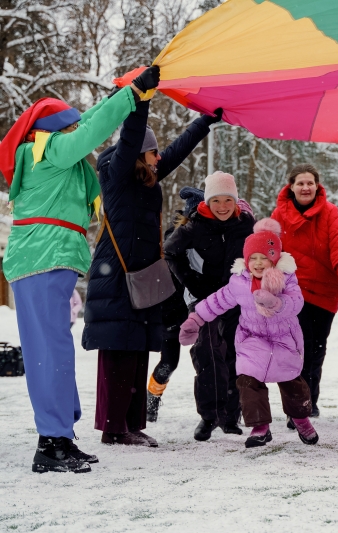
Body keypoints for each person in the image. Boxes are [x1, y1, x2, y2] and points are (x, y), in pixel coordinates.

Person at [0, 70, 154, 472]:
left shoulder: (55, 156)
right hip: (40, 259)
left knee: (55, 350)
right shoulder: (43, 151)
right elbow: (89, 131)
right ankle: (50, 444)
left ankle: (59, 437)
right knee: (46, 351)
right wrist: (129, 96)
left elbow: (88, 123)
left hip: (50, 260)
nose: (75, 131)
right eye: (67, 126)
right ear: (50, 129)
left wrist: (126, 95)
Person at [81, 76, 221, 447]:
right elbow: (131, 137)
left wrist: (205, 122)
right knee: (118, 353)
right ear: (139, 153)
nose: (159, 157)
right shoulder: (116, 175)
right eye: (152, 152)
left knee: (139, 349)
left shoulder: (148, 179)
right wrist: (139, 100)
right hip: (116, 277)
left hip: (142, 277)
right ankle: (113, 427)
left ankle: (130, 424)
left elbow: (175, 151)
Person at [179, 218, 319, 448]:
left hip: (284, 338)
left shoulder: (286, 279)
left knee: (293, 382)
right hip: (252, 339)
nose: (258, 263)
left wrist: (276, 303)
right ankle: (260, 427)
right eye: (253, 258)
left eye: (264, 257)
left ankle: (301, 419)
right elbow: (217, 301)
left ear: (274, 258)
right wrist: (196, 319)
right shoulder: (239, 282)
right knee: (247, 379)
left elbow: (296, 303)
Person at [165, 172, 255, 441]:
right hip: (203, 299)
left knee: (235, 354)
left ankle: (230, 416)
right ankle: (209, 415)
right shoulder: (195, 225)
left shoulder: (245, 223)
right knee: (206, 352)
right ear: (208, 200)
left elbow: (262, 252)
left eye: (228, 199)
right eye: (217, 200)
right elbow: (170, 251)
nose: (223, 206)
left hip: (236, 298)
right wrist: (192, 280)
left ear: (236, 200)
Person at [271, 163, 338, 418]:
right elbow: (270, 254)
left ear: (317, 186)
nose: (306, 187)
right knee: (298, 349)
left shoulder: (330, 213)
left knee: (316, 349)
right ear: (292, 187)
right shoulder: (278, 215)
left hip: (324, 293)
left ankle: (311, 399)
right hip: (293, 293)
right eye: (300, 183)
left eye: (310, 183)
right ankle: (298, 406)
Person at [146, 186, 204, 423]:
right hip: (171, 310)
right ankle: (151, 399)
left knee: (205, 360)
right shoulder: (175, 236)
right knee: (170, 361)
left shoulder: (206, 238)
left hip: (197, 308)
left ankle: (218, 407)